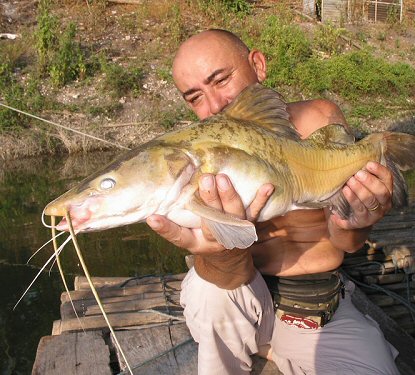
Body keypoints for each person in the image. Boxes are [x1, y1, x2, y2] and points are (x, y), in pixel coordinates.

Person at [146, 29, 399, 375]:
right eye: (195, 98)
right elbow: (221, 273)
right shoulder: (193, 159)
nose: (215, 105)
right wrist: (219, 249)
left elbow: (347, 243)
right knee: (209, 292)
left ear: (258, 65)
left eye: (220, 80)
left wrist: (356, 221)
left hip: (318, 312)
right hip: (239, 302)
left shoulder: (318, 118)